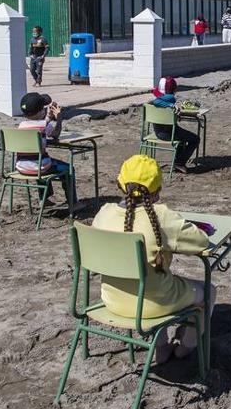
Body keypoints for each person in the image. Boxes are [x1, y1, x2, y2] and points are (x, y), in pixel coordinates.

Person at [90, 155, 213, 363]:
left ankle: (161, 346)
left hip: (112, 300)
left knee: (149, 282)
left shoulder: (104, 214)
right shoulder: (161, 217)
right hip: (153, 304)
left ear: (120, 184)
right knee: (209, 290)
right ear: (157, 190)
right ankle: (186, 346)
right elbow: (201, 241)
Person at [148, 76, 199, 172]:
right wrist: (172, 105)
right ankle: (179, 163)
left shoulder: (154, 103)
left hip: (157, 132)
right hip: (169, 134)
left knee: (182, 139)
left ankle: (178, 161)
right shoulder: (170, 99)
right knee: (195, 139)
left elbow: (156, 101)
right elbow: (157, 101)